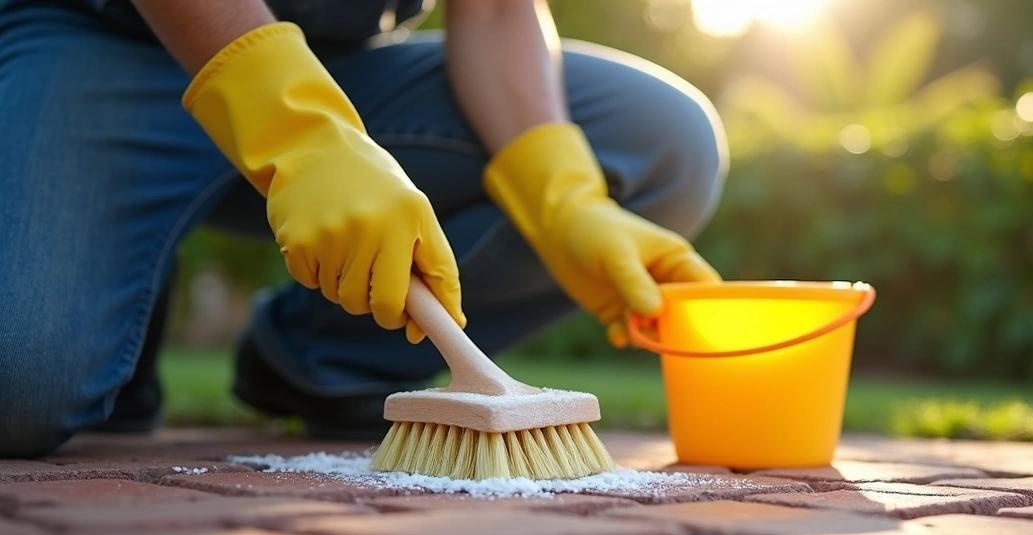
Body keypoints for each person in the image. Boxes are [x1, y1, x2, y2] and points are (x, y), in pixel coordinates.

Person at [0, 0, 728, 458]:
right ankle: (129, 279)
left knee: (665, 141)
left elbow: (496, 8)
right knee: (18, 386)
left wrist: (567, 198)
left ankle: (321, 358)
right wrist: (298, 132)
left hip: (341, 70)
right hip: (96, 38)